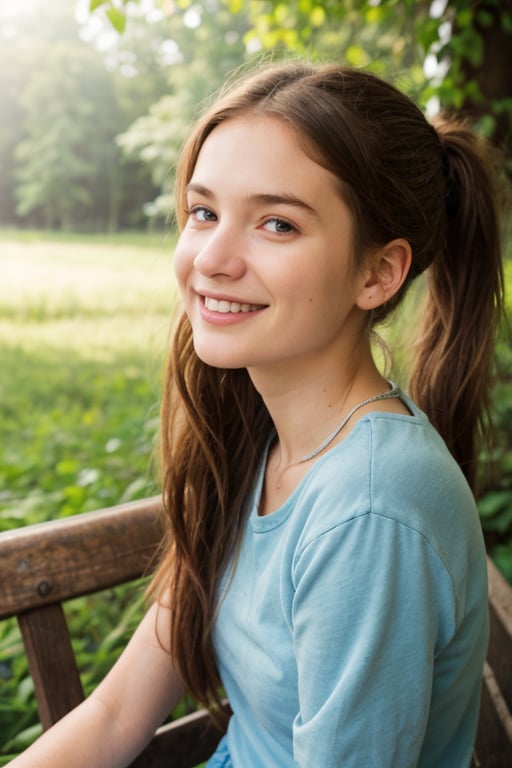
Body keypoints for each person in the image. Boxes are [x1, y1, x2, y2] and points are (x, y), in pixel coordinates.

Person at [10, 60, 504, 768]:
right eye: (203, 211)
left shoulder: (369, 509)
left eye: (276, 224)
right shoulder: (256, 444)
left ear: (377, 273)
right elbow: (118, 714)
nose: (212, 257)